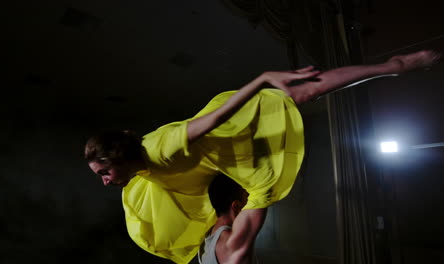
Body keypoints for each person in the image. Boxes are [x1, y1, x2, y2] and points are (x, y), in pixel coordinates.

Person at [85, 50, 440, 263]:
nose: (103, 181)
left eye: (104, 172)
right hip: (205, 172)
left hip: (227, 142)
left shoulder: (162, 148)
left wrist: (264, 79)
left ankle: (394, 65)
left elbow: (216, 120)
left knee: (299, 94)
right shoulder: (142, 172)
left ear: (120, 159)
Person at [198, 174, 262, 264]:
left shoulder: (208, 240)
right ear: (236, 206)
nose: (250, 203)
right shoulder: (231, 243)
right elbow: (264, 197)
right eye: (247, 198)